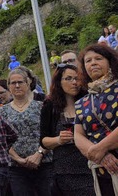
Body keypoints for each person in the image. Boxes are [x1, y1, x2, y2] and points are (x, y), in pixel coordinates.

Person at [40, 64, 94, 196]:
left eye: (77, 78)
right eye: (68, 79)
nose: (74, 82)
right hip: (66, 169)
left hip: (92, 162)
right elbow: (43, 141)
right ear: (59, 82)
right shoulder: (50, 106)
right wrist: (58, 139)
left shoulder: (89, 101)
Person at [0, 67, 53, 196]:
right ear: (8, 86)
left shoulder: (41, 106)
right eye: (13, 83)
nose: (17, 86)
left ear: (28, 84)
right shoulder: (1, 111)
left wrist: (39, 154)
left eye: (20, 82)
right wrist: (18, 159)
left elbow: (50, 132)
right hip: (16, 168)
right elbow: (1, 139)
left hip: (44, 163)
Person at [74, 44, 118, 196]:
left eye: (98, 58)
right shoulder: (81, 102)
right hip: (102, 169)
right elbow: (78, 136)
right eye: (88, 61)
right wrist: (102, 155)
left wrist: (100, 148)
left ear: (110, 61)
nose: (93, 63)